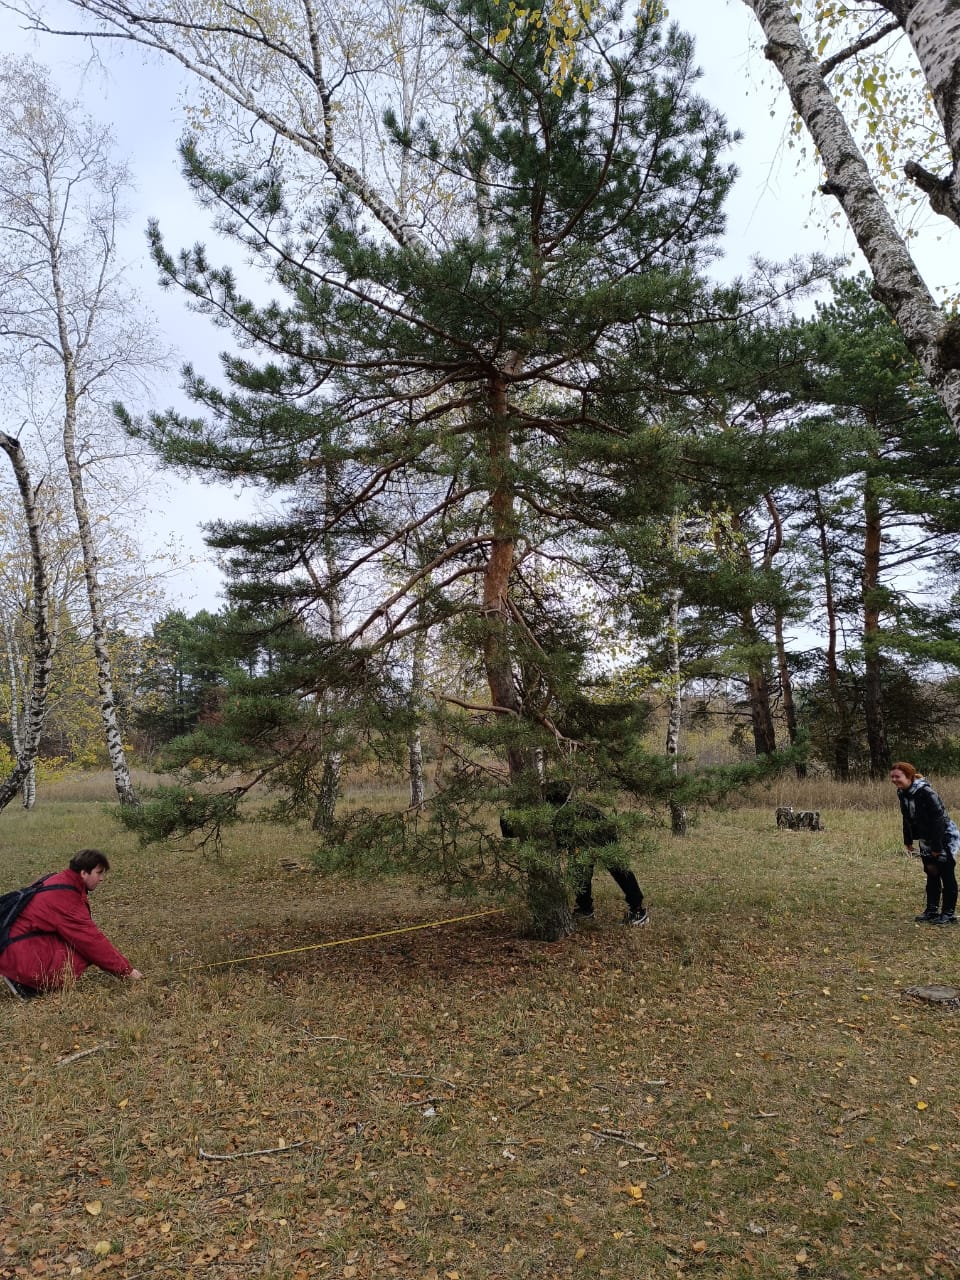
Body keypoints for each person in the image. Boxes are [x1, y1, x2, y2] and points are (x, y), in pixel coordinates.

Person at [0, 849, 143, 998]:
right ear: (83, 873)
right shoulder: (66, 898)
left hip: (14, 944)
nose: (102, 879)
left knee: (75, 944)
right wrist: (127, 971)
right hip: (18, 952)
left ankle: (25, 976)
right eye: (99, 873)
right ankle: (28, 985)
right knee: (80, 951)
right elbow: (91, 942)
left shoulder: (60, 880)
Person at [545, 780, 649, 926]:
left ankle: (638, 910)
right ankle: (584, 909)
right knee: (580, 868)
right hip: (586, 835)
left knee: (617, 868)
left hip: (600, 831)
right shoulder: (564, 810)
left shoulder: (568, 812)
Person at [890, 762, 959, 926]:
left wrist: (937, 846)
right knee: (931, 872)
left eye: (897, 776)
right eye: (892, 777)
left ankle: (948, 914)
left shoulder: (926, 792)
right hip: (925, 838)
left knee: (946, 875)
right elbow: (907, 817)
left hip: (943, 837)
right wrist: (908, 840)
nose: (894, 780)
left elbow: (938, 819)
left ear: (909, 776)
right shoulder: (902, 793)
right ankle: (931, 911)